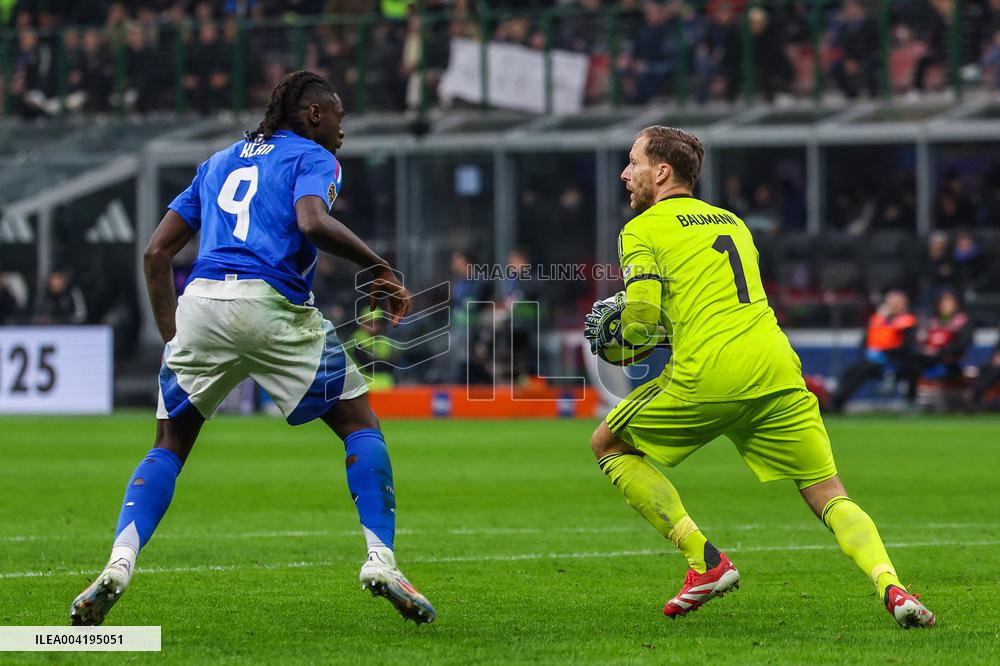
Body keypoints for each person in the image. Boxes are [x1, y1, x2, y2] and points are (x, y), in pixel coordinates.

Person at [70, 71, 435, 627]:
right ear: (313, 115)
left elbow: (155, 253)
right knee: (360, 425)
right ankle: (382, 560)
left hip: (202, 303)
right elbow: (312, 222)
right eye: (339, 115)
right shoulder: (312, 157)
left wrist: (175, 339)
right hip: (270, 303)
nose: (343, 128)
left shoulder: (217, 162)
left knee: (170, 442)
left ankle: (119, 563)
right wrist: (380, 267)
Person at [584, 126, 934, 629]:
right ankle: (893, 586)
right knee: (827, 492)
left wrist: (618, 337)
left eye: (632, 161)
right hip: (776, 366)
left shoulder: (641, 229)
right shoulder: (733, 222)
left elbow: (640, 317)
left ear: (661, 172)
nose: (625, 172)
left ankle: (704, 561)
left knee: (608, 444)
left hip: (711, 371)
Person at [829, 290, 919, 412]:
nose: (894, 305)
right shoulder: (877, 320)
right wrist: (867, 353)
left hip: (895, 360)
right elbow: (864, 341)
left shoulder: (908, 321)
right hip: (873, 359)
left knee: (913, 367)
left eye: (897, 302)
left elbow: (907, 346)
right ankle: (836, 401)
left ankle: (837, 401)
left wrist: (884, 353)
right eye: (891, 302)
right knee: (852, 370)